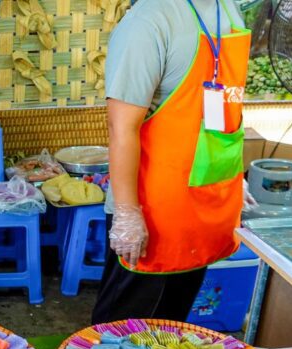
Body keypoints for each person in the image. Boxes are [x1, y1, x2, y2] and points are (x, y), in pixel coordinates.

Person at [91, 0, 249, 324]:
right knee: (122, 333)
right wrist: (126, 215)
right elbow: (121, 128)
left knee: (172, 329)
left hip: (207, 204)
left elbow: (226, 108)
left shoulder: (228, 8)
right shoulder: (149, 21)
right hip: (154, 214)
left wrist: (233, 174)